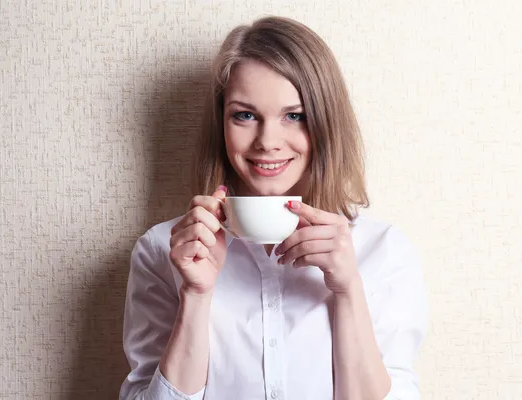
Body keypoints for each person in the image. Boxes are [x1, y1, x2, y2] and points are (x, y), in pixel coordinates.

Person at [119, 16, 428, 400]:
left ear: (325, 123)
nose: (268, 141)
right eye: (245, 115)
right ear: (222, 124)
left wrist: (348, 289)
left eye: (293, 116)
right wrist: (195, 297)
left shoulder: (382, 250)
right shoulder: (162, 250)